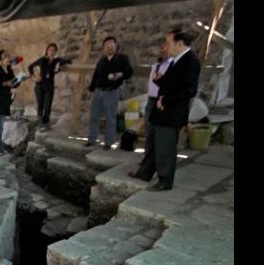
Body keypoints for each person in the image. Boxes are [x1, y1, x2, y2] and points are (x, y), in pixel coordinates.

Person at [147, 28, 201, 191]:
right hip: (164, 111)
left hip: (172, 112)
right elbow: (173, 84)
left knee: (166, 148)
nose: (166, 46)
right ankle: (157, 175)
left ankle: (165, 181)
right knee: (159, 145)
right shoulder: (177, 60)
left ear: (179, 43)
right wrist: (159, 81)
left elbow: (190, 90)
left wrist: (166, 100)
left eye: (169, 43)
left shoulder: (190, 61)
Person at [128, 41, 173, 182]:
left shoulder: (173, 66)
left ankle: (159, 172)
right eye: (161, 47)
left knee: (160, 139)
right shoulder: (156, 65)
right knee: (149, 135)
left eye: (165, 46)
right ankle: (146, 170)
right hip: (151, 101)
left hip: (162, 101)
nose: (162, 50)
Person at [86, 36, 133, 150]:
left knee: (110, 118)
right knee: (94, 116)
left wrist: (118, 75)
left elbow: (129, 72)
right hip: (99, 91)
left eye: (112, 44)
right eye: (107, 45)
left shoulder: (122, 58)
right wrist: (91, 90)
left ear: (116, 46)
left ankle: (109, 142)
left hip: (111, 91)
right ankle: (92, 139)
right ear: (104, 48)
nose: (110, 46)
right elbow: (96, 75)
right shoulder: (102, 60)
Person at [28, 43, 68, 128]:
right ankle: (40, 123)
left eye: (53, 50)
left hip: (49, 86)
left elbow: (67, 61)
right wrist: (34, 77)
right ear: (47, 51)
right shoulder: (42, 60)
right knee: (40, 105)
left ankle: (45, 123)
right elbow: (30, 67)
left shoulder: (56, 61)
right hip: (39, 86)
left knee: (48, 106)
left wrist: (60, 65)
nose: (51, 52)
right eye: (50, 50)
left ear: (55, 51)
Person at [0, 49, 19, 156]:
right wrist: (4, 83)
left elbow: (14, 83)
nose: (7, 55)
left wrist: (17, 80)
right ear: (0, 57)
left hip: (6, 99)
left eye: (7, 54)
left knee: (1, 126)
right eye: (4, 54)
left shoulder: (9, 69)